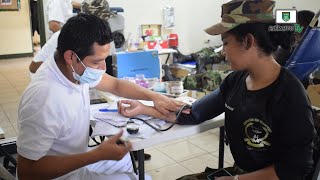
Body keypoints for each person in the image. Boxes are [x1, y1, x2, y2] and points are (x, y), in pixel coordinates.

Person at [118, 0, 316, 179]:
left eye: (225, 42)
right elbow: (192, 114)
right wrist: (143, 109)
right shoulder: (235, 81)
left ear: (248, 41)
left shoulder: (290, 94)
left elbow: (295, 169)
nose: (222, 52)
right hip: (242, 172)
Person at [17, 13, 180, 180]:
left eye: (105, 60)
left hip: (76, 160)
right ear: (71, 57)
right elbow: (27, 173)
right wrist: (96, 155)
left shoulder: (70, 69)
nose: (102, 68)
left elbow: (115, 85)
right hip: (59, 175)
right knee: (143, 179)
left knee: (126, 161)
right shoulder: (44, 98)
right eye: (96, 62)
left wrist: (154, 96)